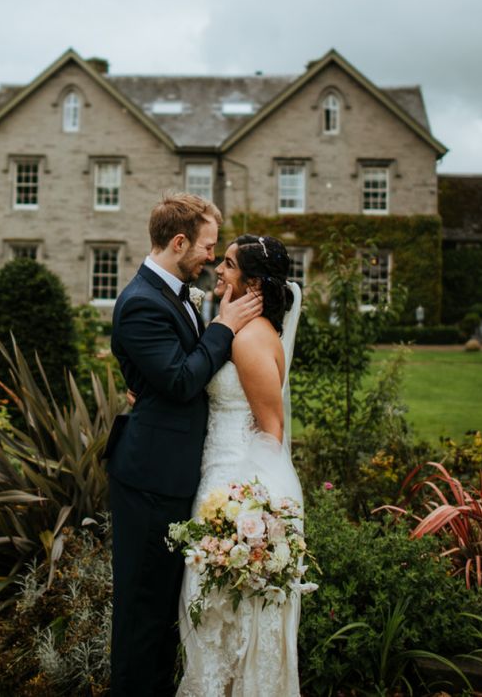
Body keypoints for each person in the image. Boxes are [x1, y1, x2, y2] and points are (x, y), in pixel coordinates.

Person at [107, 193, 263, 696]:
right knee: (142, 616)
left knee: (161, 616)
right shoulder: (141, 303)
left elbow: (169, 374)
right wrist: (222, 327)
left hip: (172, 474)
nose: (212, 260)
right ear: (179, 242)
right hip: (149, 480)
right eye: (207, 247)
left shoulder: (175, 294)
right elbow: (178, 380)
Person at [177, 234, 304, 697]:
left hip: (236, 484)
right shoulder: (238, 330)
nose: (219, 271)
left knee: (222, 612)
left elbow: (271, 429)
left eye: (228, 265)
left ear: (252, 283)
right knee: (217, 614)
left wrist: (249, 508)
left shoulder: (250, 339)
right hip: (220, 471)